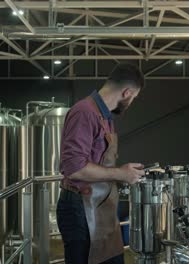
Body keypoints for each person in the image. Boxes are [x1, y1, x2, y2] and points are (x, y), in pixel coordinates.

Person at [57, 63, 145, 264]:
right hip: (80, 208)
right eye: (134, 97)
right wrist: (120, 174)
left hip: (99, 207)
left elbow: (99, 163)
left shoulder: (105, 116)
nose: (132, 101)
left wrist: (126, 173)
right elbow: (74, 168)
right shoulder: (84, 112)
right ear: (127, 92)